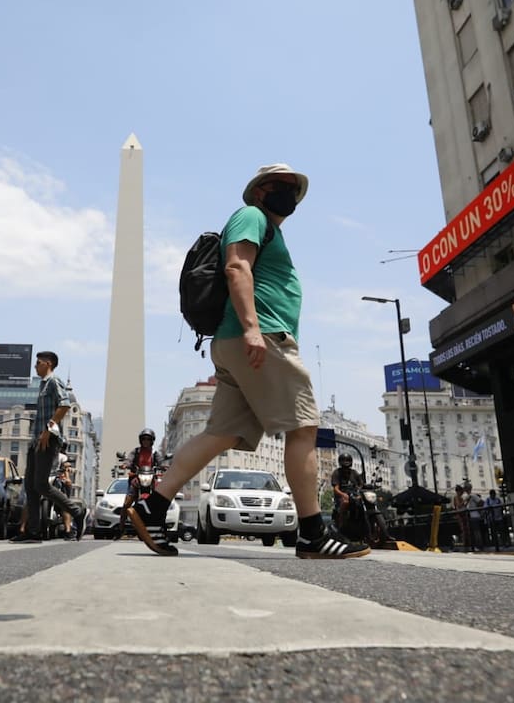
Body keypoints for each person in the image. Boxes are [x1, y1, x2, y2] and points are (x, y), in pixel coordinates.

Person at [128, 164, 369, 559]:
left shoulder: (268, 228)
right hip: (260, 339)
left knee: (221, 434)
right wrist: (253, 329)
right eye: (281, 186)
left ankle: (152, 507)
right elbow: (236, 266)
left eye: (294, 188)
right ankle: (312, 534)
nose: (290, 193)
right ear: (259, 191)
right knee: (304, 427)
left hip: (238, 343)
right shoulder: (252, 216)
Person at [12, 351, 85, 542]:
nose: (35, 366)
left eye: (38, 363)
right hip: (36, 440)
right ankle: (33, 532)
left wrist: (48, 429)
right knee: (30, 486)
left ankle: (76, 511)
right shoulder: (43, 384)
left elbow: (64, 404)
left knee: (41, 484)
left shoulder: (54, 381)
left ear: (48, 363)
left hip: (48, 439)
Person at [118, 428, 160, 535]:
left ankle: (160, 524)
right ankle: (120, 528)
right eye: (144, 439)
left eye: (148, 439)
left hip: (151, 479)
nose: (146, 441)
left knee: (160, 499)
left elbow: (161, 461)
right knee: (127, 503)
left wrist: (165, 465)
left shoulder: (154, 453)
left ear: (152, 441)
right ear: (141, 440)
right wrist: (126, 464)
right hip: (136, 479)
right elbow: (129, 459)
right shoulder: (136, 451)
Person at [330, 453, 362, 526]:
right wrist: (343, 494)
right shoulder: (337, 472)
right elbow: (336, 488)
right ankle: (341, 523)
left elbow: (361, 484)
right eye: (344, 461)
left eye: (347, 461)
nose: (346, 463)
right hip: (341, 496)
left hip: (355, 495)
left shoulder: (354, 473)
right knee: (345, 502)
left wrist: (360, 490)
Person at [53, 460, 77, 540]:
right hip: (47, 498)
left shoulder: (65, 479)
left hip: (59, 501)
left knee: (65, 507)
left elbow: (68, 482)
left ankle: (68, 530)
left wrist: (66, 472)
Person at [466, 482, 485, 551]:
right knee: (475, 531)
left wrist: (478, 509)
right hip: (472, 515)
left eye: (466, 488)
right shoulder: (469, 496)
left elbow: (481, 502)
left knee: (476, 531)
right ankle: (478, 545)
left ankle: (479, 546)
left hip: (475, 515)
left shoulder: (473, 496)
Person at [452, 484, 471, 552]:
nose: (462, 493)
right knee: (463, 530)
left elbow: (462, 506)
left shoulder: (459, 497)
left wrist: (467, 501)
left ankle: (467, 543)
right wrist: (465, 500)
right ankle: (465, 544)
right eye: (461, 491)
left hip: (463, 514)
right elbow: (459, 505)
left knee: (466, 530)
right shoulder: (456, 497)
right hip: (460, 515)